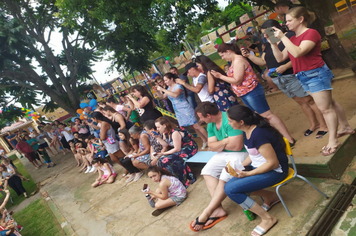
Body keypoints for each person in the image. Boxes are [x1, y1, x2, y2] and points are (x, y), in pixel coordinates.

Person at [271, 7, 354, 155]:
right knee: (330, 103)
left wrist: (283, 37)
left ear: (301, 19)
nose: (286, 23)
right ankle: (345, 127)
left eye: (289, 20)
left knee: (325, 109)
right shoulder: (292, 38)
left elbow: (297, 52)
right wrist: (272, 42)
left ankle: (333, 140)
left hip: (316, 74)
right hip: (303, 76)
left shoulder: (311, 33)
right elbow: (280, 58)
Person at [243, 19, 328, 139]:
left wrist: (286, 66)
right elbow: (263, 62)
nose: (264, 35)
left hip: (291, 74)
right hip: (278, 79)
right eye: (263, 33)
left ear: (274, 29)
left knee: (309, 100)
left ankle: (324, 125)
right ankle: (314, 124)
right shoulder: (267, 44)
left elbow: (298, 55)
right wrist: (248, 56)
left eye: (266, 32)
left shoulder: (288, 38)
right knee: (301, 102)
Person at [212, 42, 295, 146]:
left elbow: (237, 80)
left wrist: (220, 76)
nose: (223, 58)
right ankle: (278, 138)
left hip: (252, 91)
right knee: (262, 116)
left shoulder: (238, 60)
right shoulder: (234, 61)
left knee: (267, 115)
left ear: (228, 51)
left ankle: (289, 139)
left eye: (222, 55)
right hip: (246, 93)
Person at [224, 105, 289, 236]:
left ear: (241, 122)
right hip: (260, 169)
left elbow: (273, 163)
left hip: (275, 171)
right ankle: (270, 196)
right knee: (230, 185)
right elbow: (252, 154)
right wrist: (239, 168)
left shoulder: (259, 134)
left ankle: (268, 219)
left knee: (231, 190)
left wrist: (249, 173)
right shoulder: (247, 131)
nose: (229, 123)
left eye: (230, 121)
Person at [190, 102, 248, 231]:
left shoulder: (229, 120)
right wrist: (226, 141)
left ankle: (208, 211)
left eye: (202, 117)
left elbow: (237, 146)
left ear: (209, 115)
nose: (201, 120)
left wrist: (219, 144)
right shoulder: (211, 124)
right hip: (224, 153)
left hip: (241, 154)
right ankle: (218, 209)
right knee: (207, 171)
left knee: (224, 175)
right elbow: (212, 147)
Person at [155, 73, 209, 148]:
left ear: (171, 79)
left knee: (197, 126)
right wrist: (157, 91)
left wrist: (163, 89)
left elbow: (175, 95)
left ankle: (209, 140)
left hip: (185, 108)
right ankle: (204, 140)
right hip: (178, 110)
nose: (165, 82)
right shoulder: (168, 88)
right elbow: (163, 97)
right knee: (193, 127)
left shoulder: (178, 86)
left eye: (166, 80)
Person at [91, 112, 141, 180]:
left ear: (95, 118)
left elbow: (102, 137)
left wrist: (101, 136)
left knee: (123, 158)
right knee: (114, 159)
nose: (93, 121)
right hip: (108, 144)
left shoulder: (104, 124)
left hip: (111, 144)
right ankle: (129, 170)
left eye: (93, 119)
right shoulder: (103, 123)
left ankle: (136, 170)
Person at [154, 117, 197, 188]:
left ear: (164, 125)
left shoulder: (175, 132)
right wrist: (157, 137)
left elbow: (177, 149)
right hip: (180, 149)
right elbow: (166, 144)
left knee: (169, 159)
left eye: (158, 127)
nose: (157, 129)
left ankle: (185, 179)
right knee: (161, 161)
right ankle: (173, 180)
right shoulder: (165, 132)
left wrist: (164, 153)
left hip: (189, 148)